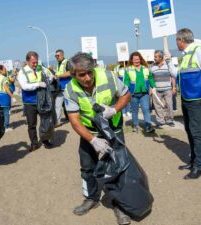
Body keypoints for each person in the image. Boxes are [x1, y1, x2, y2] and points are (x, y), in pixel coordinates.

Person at [64, 52, 131, 225]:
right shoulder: (70, 89)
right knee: (87, 167)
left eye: (89, 72)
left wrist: (114, 109)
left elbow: (126, 95)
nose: (87, 78)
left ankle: (120, 204)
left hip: (113, 128)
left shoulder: (108, 76)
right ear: (73, 75)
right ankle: (91, 198)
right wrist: (92, 140)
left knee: (120, 166)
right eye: (82, 75)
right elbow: (75, 121)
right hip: (89, 132)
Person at [166, 28, 201, 179]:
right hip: (187, 98)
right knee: (189, 130)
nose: (176, 43)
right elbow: (178, 74)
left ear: (181, 40)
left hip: (197, 99)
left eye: (176, 40)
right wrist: (169, 62)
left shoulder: (198, 51)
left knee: (196, 132)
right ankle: (193, 161)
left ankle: (199, 167)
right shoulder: (186, 55)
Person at [17, 51, 55, 152]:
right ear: (27, 61)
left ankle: (45, 140)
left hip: (43, 101)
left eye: (36, 62)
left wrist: (49, 79)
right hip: (30, 102)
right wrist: (38, 84)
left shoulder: (41, 68)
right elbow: (24, 86)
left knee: (45, 121)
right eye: (33, 62)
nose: (35, 64)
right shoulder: (22, 72)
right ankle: (34, 143)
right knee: (32, 124)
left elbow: (50, 76)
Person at [124, 52, 157, 133]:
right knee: (134, 111)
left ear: (140, 59)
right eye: (134, 59)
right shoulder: (128, 69)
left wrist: (153, 86)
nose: (136, 61)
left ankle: (148, 127)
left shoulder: (146, 68)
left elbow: (150, 78)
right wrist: (125, 90)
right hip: (133, 94)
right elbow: (126, 81)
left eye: (138, 59)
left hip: (144, 93)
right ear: (132, 60)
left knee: (146, 109)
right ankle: (135, 126)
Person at [150, 50, 176, 127]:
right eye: (154, 56)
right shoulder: (152, 66)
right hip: (156, 90)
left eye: (156, 57)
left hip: (167, 89)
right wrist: (151, 88)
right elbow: (151, 78)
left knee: (169, 105)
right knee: (157, 106)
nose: (154, 58)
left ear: (161, 57)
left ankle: (169, 120)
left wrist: (174, 87)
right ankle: (160, 121)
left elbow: (173, 76)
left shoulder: (168, 65)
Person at [0, 65, 15, 131]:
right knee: (6, 112)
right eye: (4, 69)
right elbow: (7, 89)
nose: (6, 70)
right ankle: (6, 127)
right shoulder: (4, 78)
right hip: (4, 97)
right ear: (0, 70)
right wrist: (12, 96)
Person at [54, 49, 72, 126]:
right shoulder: (58, 63)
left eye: (57, 55)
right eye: (55, 56)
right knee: (57, 105)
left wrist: (59, 76)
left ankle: (74, 119)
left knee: (70, 105)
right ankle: (57, 122)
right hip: (60, 88)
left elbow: (70, 73)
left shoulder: (67, 62)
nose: (56, 57)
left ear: (62, 55)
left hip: (67, 87)